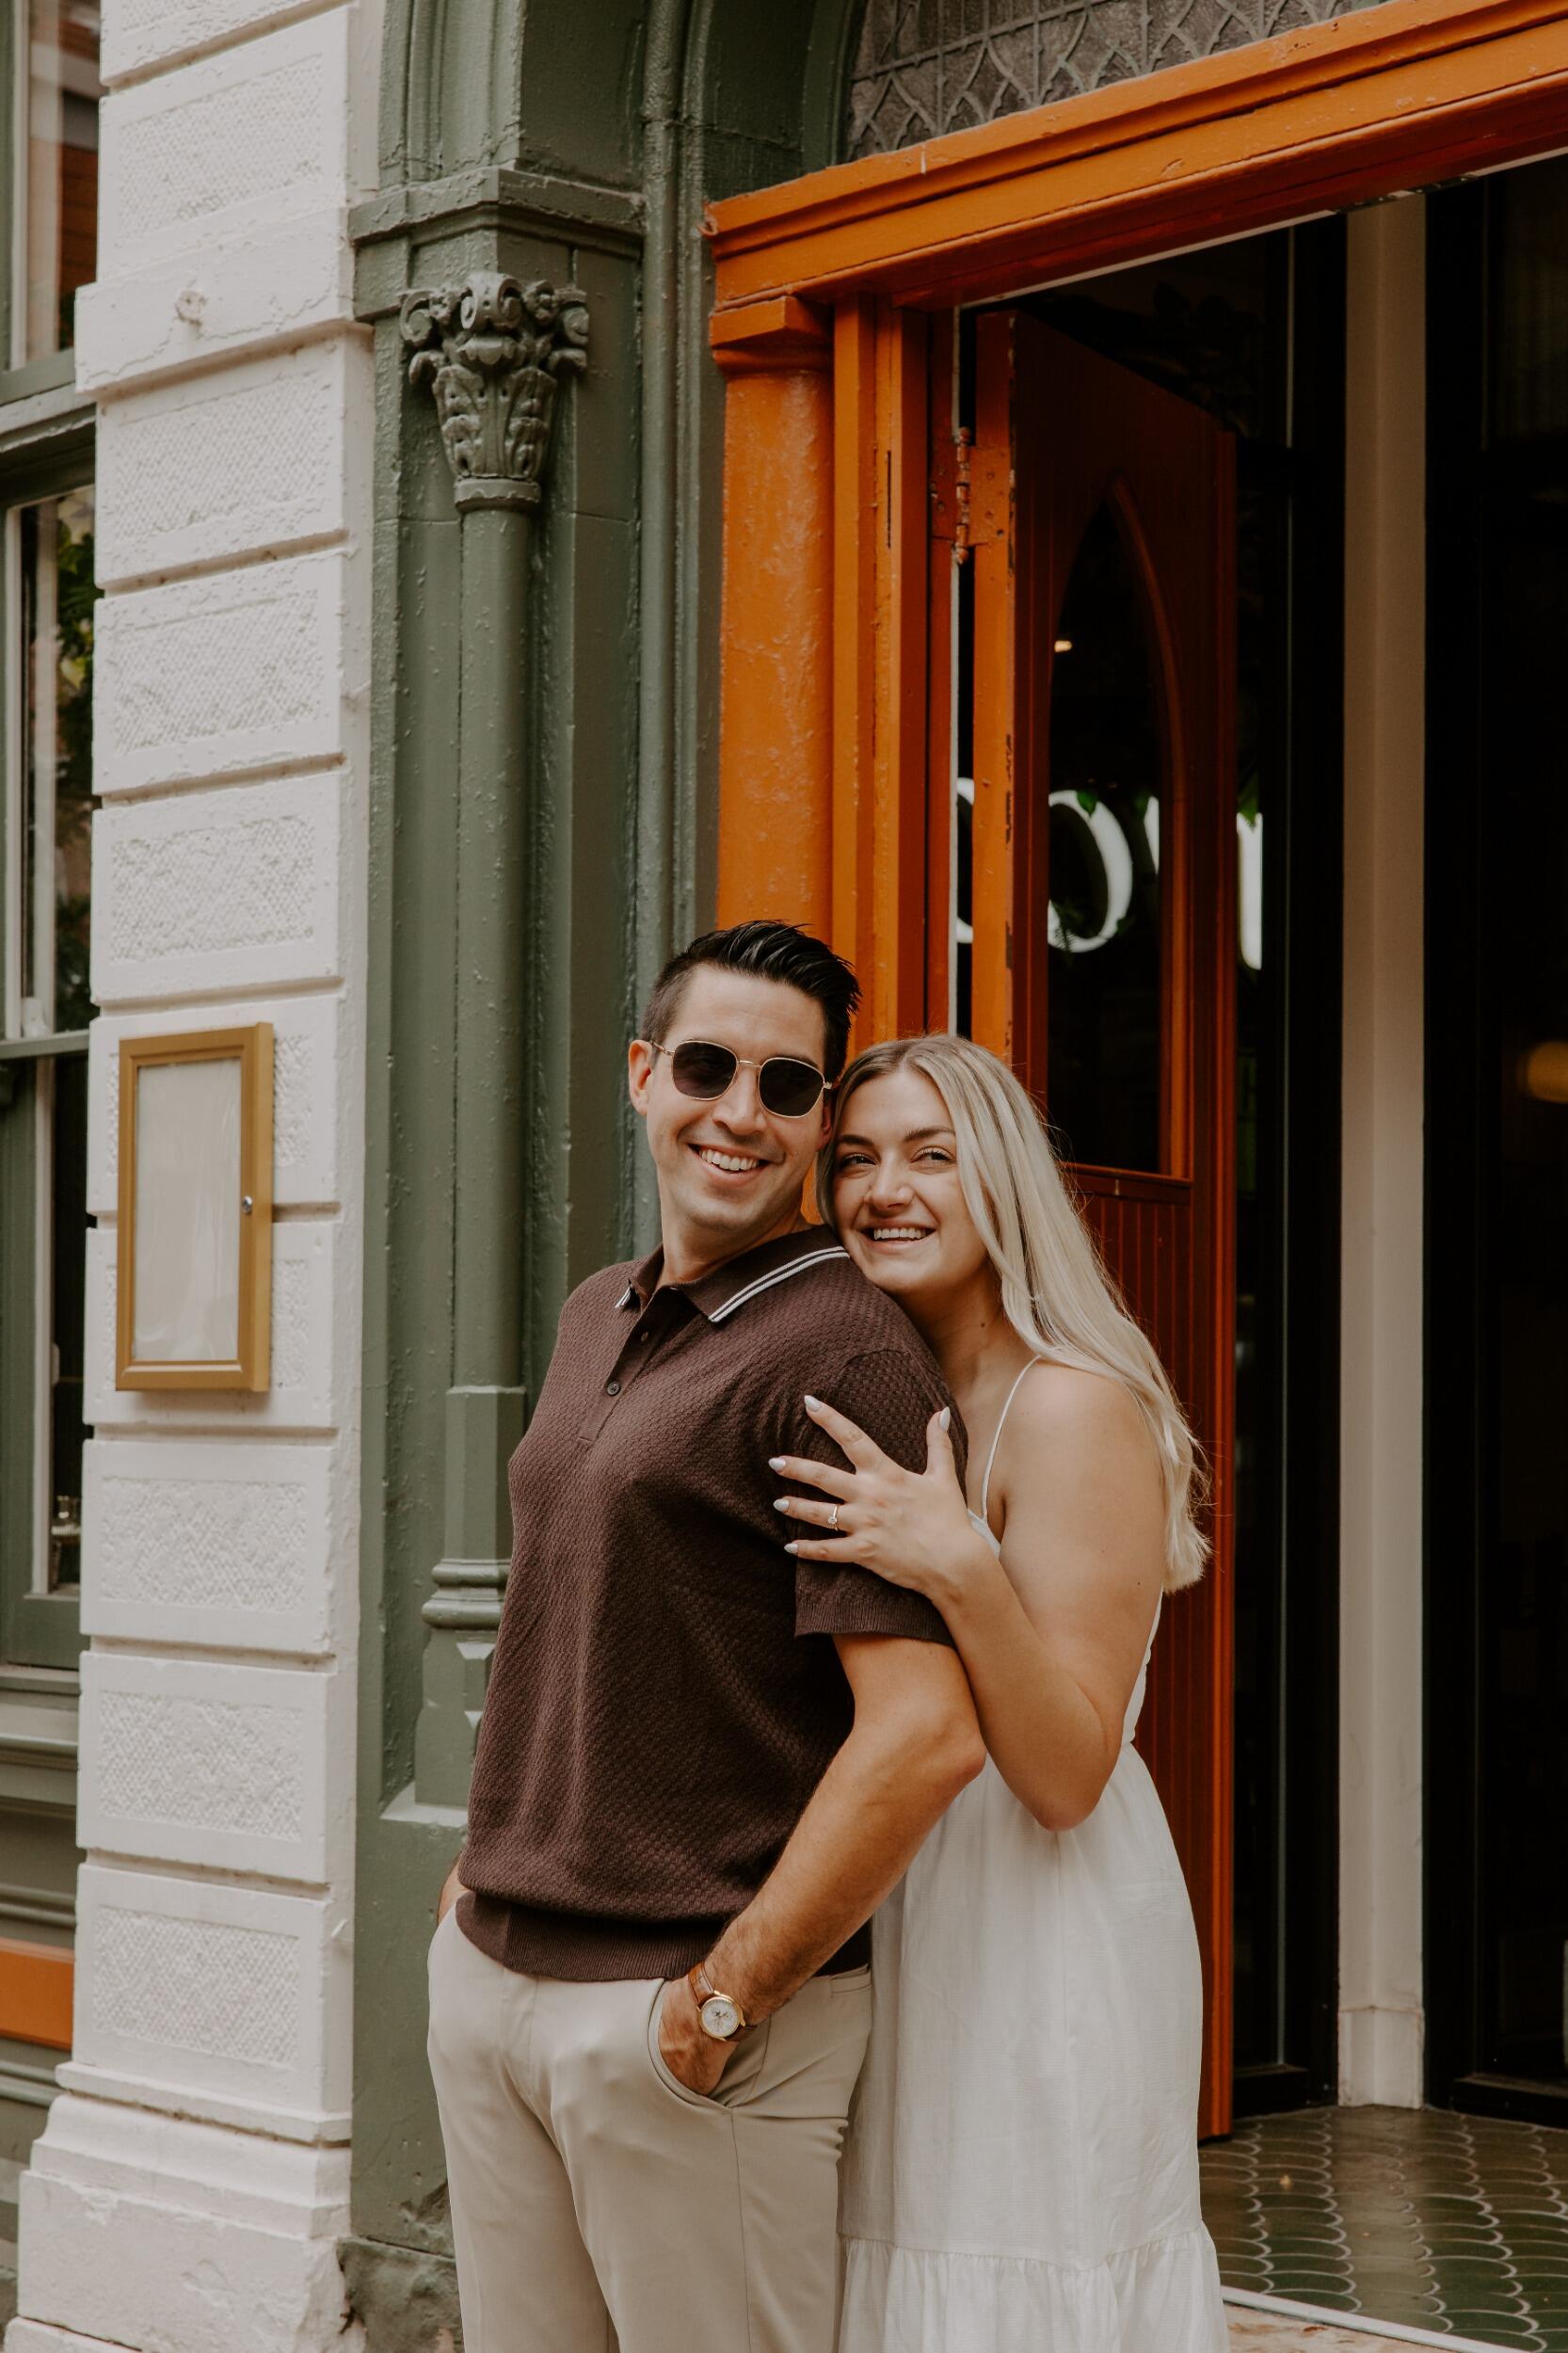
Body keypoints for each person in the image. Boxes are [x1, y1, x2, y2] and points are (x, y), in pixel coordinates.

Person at [425, 922, 984, 2353]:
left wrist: (721, 2006)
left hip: (677, 2024)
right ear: (640, 1074)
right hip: (499, 1972)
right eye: (705, 1065)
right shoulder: (593, 1311)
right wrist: (484, 1870)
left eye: (786, 1086)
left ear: (815, 1116)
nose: (739, 1111)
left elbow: (922, 1731)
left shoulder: (838, 1345)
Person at [770, 1032, 1230, 2352]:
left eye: (930, 1153)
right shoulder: (879, 1386)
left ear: (1002, 1177)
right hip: (896, 1886)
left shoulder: (1073, 1407)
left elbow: (1067, 1773)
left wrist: (958, 1566)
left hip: (1034, 1925)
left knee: (1008, 2275)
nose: (882, 1189)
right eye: (852, 1160)